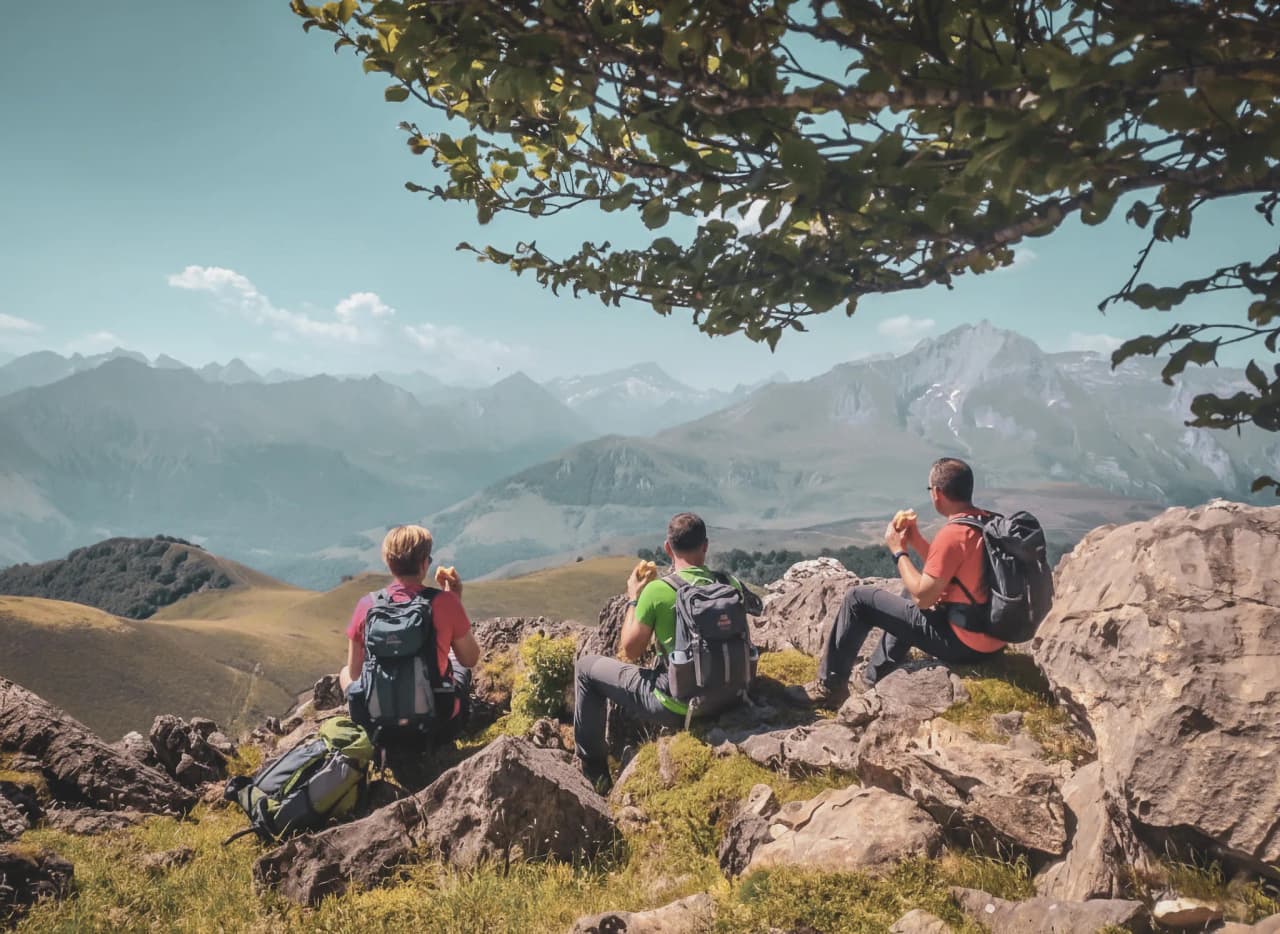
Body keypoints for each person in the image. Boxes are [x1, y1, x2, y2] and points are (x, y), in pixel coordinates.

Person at [793, 457, 1006, 709]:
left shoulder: (952, 534)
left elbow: (923, 598)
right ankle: (875, 676)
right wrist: (915, 540)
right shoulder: (987, 522)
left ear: (937, 493)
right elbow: (949, 572)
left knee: (857, 600)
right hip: (995, 639)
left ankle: (829, 688)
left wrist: (898, 551)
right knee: (909, 587)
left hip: (964, 645)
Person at [573, 512, 751, 792]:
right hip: (732, 695)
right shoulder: (730, 584)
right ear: (705, 546)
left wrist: (634, 598)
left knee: (586, 668)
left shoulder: (658, 591)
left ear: (668, 548)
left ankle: (595, 773)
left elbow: (630, 650)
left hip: (678, 706)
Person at [340, 524, 481, 788]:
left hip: (378, 727)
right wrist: (455, 601)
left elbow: (356, 673)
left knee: (344, 673)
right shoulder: (444, 602)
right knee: (458, 670)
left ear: (388, 563)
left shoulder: (367, 606)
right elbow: (470, 658)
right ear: (425, 563)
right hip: (438, 726)